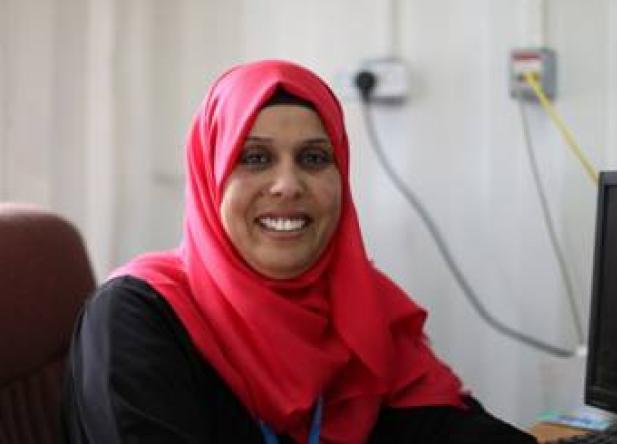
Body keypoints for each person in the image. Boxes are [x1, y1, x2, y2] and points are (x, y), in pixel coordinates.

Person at [62, 60, 537, 443]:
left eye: (313, 158)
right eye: (255, 158)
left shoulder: (358, 306)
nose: (287, 184)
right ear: (211, 177)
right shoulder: (136, 317)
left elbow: (439, 426)